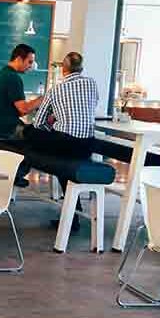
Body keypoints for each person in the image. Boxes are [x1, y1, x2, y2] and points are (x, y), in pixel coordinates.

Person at [24, 51, 99, 232]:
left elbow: (39, 123)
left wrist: (54, 119)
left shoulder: (56, 89)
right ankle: (72, 216)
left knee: (29, 132)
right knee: (65, 170)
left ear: (63, 69)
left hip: (65, 144)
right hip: (88, 145)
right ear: (81, 68)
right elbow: (92, 105)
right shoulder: (92, 84)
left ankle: (23, 168)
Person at [0, 43, 43, 187]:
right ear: (19, 59)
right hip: (4, 130)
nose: (31, 66)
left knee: (29, 133)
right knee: (37, 143)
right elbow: (23, 109)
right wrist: (42, 99)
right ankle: (14, 174)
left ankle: (12, 173)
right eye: (29, 62)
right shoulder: (13, 78)